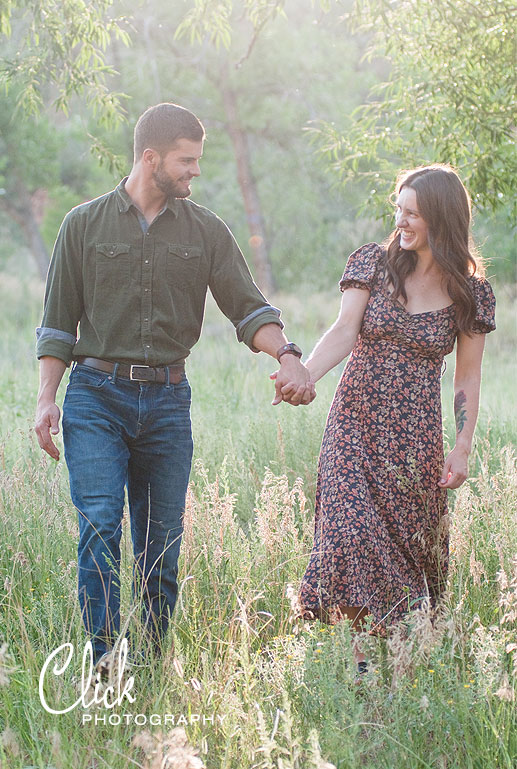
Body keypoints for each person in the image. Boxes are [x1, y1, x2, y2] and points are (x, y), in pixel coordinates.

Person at [34, 102, 315, 665]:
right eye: (186, 161)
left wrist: (286, 354)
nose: (195, 172)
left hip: (167, 402)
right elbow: (58, 323)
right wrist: (46, 399)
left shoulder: (206, 230)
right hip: (94, 398)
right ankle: (105, 661)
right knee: (100, 527)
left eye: (198, 161)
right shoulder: (82, 224)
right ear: (150, 157)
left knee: (161, 544)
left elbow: (249, 308)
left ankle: (153, 662)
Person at [288, 164, 496, 670]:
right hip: (354, 424)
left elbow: (466, 377)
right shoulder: (373, 264)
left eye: (412, 213)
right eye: (398, 208)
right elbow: (342, 331)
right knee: (351, 533)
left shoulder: (470, 293)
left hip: (415, 439)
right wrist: (305, 375)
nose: (400, 221)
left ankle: (394, 673)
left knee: (405, 553)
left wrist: (462, 445)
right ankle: (366, 668)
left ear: (442, 221)